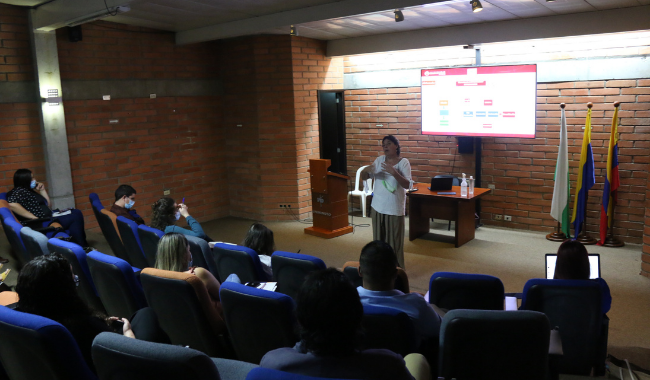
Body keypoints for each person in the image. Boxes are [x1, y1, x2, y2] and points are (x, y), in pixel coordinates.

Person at [260, 268, 431, 380]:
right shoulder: (388, 365)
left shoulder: (272, 364)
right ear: (359, 317)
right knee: (416, 359)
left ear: (300, 319)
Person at [15, 253, 134, 373]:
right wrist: (128, 333)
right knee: (145, 315)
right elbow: (130, 356)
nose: (76, 281)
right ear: (64, 291)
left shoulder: (25, 320)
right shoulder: (85, 326)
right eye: (73, 280)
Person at [357, 240, 441, 347]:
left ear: (359, 271)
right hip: (403, 363)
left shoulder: (345, 301)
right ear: (396, 274)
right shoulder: (416, 304)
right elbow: (440, 329)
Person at [361, 135, 411, 268]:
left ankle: (397, 271)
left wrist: (394, 172)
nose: (385, 146)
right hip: (377, 207)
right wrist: (366, 171)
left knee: (395, 243)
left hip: (394, 209)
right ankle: (379, 268)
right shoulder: (379, 160)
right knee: (378, 242)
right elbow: (365, 176)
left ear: (396, 146)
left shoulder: (403, 162)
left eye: (389, 144)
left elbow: (407, 185)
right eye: (383, 145)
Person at [7, 168, 88, 247]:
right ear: (25, 179)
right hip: (41, 221)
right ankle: (82, 246)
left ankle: (81, 244)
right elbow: (12, 204)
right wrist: (33, 217)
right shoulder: (19, 191)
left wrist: (42, 190)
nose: (34, 180)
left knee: (76, 212)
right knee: (75, 218)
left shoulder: (28, 190)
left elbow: (48, 205)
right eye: (32, 178)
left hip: (49, 216)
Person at [154, 233, 221, 306]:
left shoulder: (154, 278)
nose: (190, 254)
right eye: (189, 250)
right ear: (182, 255)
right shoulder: (198, 274)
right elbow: (223, 298)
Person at [554, 239, 611, 314]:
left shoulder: (537, 285)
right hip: (588, 325)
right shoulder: (599, 285)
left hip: (554, 325)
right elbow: (604, 309)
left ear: (558, 264)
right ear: (585, 264)